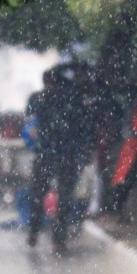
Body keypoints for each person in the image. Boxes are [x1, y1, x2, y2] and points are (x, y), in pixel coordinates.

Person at [25, 62, 96, 253]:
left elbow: (30, 117)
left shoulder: (42, 98)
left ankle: (36, 230)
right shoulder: (74, 99)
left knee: (40, 193)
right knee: (63, 196)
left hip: (49, 153)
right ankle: (57, 237)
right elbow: (86, 127)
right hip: (67, 154)